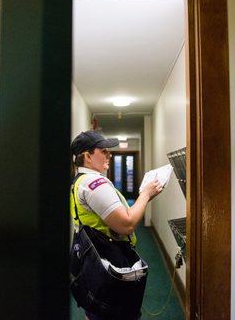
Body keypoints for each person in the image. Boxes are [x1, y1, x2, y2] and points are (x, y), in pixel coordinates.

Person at [69, 130, 164, 320]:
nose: (109, 154)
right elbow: (126, 224)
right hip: (109, 261)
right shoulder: (94, 183)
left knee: (96, 309)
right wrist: (146, 195)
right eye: (103, 151)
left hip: (95, 260)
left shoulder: (79, 181)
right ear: (88, 156)